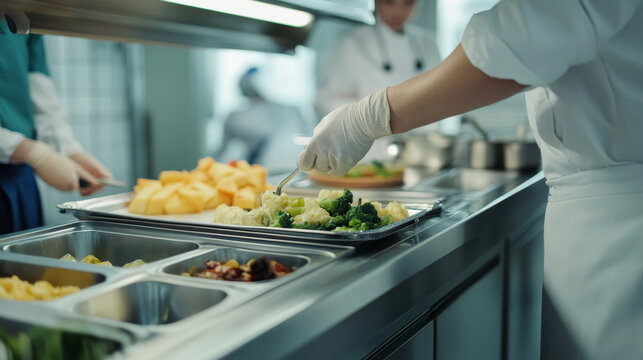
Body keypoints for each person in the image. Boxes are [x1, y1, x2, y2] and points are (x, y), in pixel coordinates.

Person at [298, 0, 643, 358]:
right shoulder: (354, 43)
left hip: (617, 224)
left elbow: (513, 43)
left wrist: (367, 117)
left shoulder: (427, 41)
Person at [0, 14, 112, 235]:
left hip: (20, 178)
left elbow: (39, 89)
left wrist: (68, 149)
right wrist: (34, 153)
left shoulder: (24, 15)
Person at [316, 0, 441, 161]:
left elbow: (437, 98)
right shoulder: (354, 42)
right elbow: (330, 100)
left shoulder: (428, 43)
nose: (398, 12)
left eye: (407, 4)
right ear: (376, 2)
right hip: (367, 155)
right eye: (389, 3)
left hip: (419, 155)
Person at [219, 67, 308, 172]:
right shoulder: (293, 110)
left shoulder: (236, 117)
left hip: (267, 171)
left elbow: (221, 151)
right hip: (298, 170)